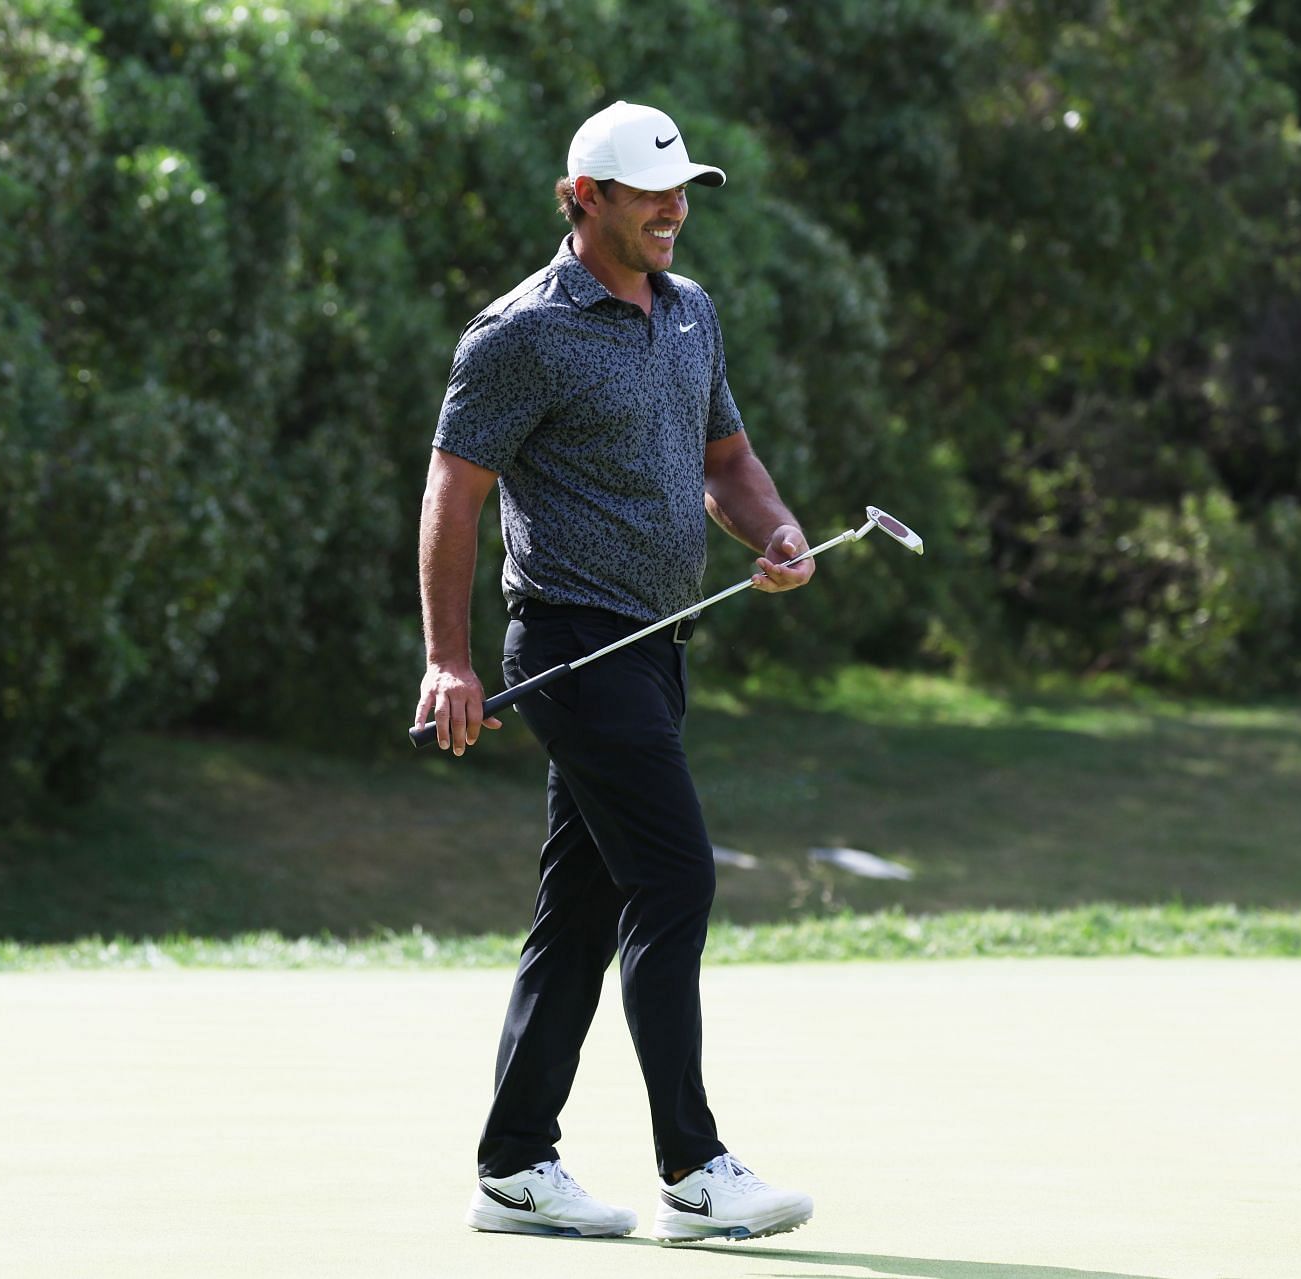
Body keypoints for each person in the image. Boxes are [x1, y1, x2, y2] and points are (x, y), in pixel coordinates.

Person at [413, 101, 818, 1243]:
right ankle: (696, 1172)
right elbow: (454, 495)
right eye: (651, 194)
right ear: (584, 198)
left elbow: (726, 461)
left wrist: (774, 532)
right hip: (572, 648)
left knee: (580, 910)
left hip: (656, 651)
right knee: (676, 878)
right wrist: (448, 658)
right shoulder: (520, 333)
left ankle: (512, 1165)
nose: (675, 210)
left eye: (683, 189)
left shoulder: (690, 315)